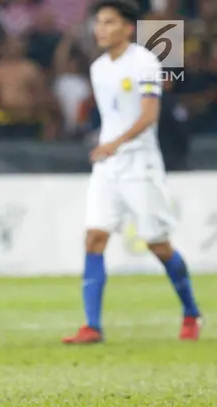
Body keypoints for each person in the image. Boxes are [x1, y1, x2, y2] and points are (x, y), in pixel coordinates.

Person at [62, 0, 202, 344]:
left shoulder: (145, 61)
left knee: (158, 244)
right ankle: (92, 326)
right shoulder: (97, 67)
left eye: (109, 22)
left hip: (140, 164)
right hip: (108, 167)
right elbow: (112, 114)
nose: (101, 29)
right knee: (94, 237)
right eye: (98, 23)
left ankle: (190, 312)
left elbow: (148, 115)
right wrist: (105, 144)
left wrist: (115, 143)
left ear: (127, 27)